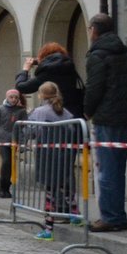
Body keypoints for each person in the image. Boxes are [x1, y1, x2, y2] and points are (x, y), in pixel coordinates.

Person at [85, 13, 127, 232]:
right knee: (117, 169)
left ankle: (110, 217)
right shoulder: (124, 51)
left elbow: (94, 87)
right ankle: (118, 215)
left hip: (107, 117)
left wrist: (87, 111)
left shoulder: (98, 54)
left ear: (94, 30)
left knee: (106, 170)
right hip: (125, 116)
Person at [27, 81, 76, 239]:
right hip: (65, 155)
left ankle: (48, 230)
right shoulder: (65, 112)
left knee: (50, 193)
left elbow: (32, 131)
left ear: (41, 95)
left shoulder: (40, 112)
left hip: (48, 155)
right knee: (63, 185)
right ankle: (75, 214)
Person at [16, 42, 86, 116]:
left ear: (44, 56)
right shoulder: (69, 66)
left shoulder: (48, 71)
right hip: (73, 113)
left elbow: (21, 87)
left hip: (55, 114)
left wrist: (25, 69)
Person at [0, 88, 27, 199]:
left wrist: (23, 143)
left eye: (16, 97)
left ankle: (7, 186)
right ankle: (3, 188)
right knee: (6, 162)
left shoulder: (21, 111)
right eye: (11, 97)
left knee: (11, 164)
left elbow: (24, 128)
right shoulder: (1, 109)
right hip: (3, 139)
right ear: (7, 97)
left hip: (14, 140)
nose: (13, 99)